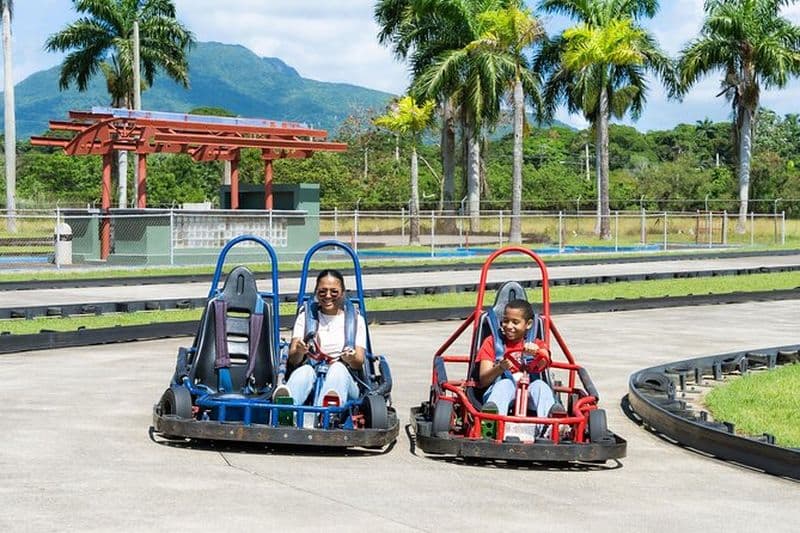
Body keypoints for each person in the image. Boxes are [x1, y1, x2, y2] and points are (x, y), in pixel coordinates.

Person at [273, 269, 366, 415]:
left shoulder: (355, 321)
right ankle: (286, 408)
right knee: (305, 371)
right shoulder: (305, 318)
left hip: (344, 378)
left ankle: (326, 414)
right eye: (323, 292)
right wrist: (299, 351)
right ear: (316, 293)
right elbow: (293, 359)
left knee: (337, 370)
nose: (328, 296)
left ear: (342, 293)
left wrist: (350, 357)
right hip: (312, 372)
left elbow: (359, 361)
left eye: (334, 292)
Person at [476, 299, 562, 420]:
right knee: (504, 384)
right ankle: (493, 422)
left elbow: (545, 360)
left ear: (528, 324)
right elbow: (483, 380)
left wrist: (537, 352)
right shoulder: (492, 343)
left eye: (515, 322)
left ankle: (549, 426)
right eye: (505, 321)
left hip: (530, 392)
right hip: (501, 391)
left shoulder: (536, 343)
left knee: (540, 386)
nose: (509, 326)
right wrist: (500, 368)